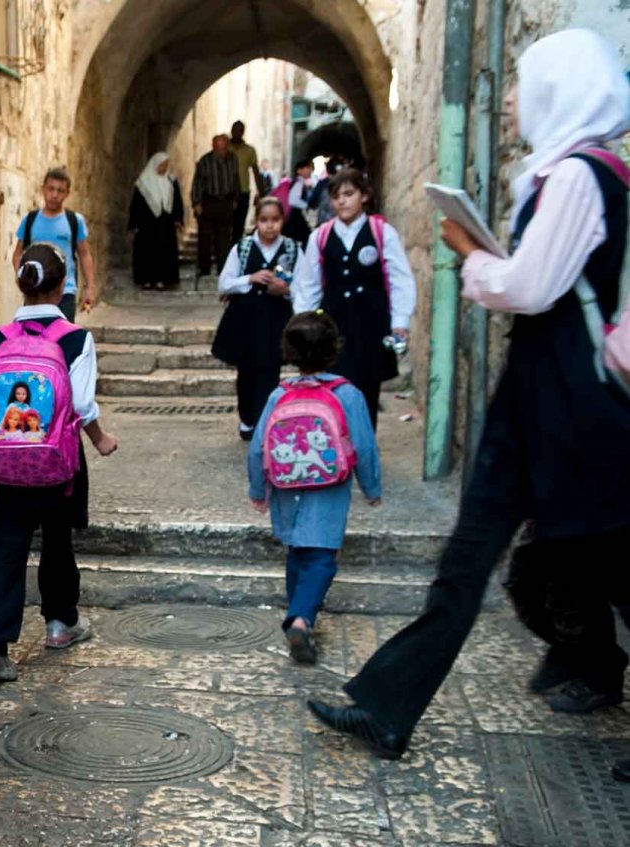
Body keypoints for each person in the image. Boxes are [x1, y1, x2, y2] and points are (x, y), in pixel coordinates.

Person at [307, 29, 630, 763]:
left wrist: (471, 255)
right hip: (539, 392)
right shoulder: (569, 173)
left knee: (609, 559)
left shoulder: (582, 176)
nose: (511, 98)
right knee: (467, 556)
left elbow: (529, 286)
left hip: (575, 401)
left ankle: (588, 662)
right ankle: (389, 708)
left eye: (523, 84)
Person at [0, 243, 118, 682]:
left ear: (22, 284)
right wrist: (102, 440)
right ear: (62, 284)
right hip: (58, 465)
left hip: (4, 468)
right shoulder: (75, 339)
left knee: (4, 551)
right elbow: (83, 405)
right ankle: (59, 623)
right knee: (57, 541)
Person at [248, 312, 382, 663]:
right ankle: (302, 619)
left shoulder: (280, 393)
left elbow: (258, 445)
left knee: (296, 550)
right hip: (330, 486)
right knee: (322, 556)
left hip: (285, 485)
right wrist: (371, 487)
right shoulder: (348, 394)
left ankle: (298, 611)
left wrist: (258, 490)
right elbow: (365, 446)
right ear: (335, 348)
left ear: (289, 352)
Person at [291, 168, 416, 425]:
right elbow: (309, 283)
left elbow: (399, 278)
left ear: (365, 196)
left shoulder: (382, 233)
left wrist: (400, 320)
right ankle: (337, 446)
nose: (342, 201)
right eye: (336, 196)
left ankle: (364, 447)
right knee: (332, 384)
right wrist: (304, 321)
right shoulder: (321, 237)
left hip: (371, 323)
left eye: (349, 194)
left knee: (367, 388)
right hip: (333, 325)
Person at [212, 198, 300, 440]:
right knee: (247, 370)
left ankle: (264, 420)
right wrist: (249, 278)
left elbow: (304, 285)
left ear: (282, 221)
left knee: (270, 371)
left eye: (275, 220)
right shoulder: (243, 248)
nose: (270, 226)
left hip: (276, 320)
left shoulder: (292, 249)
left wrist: (286, 289)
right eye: (264, 220)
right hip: (246, 319)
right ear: (257, 221)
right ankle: (247, 418)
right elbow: (225, 282)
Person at [13, 168, 96, 321]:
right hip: (35, 291)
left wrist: (90, 288)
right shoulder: (30, 220)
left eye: (60, 190)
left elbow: (84, 254)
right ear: (43, 189)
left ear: (67, 193)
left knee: (62, 338)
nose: (55, 195)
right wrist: (23, 276)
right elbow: (18, 253)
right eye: (51, 189)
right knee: (34, 338)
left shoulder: (74, 221)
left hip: (65, 291)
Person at [129, 151, 185, 290]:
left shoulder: (171, 181)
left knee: (164, 252)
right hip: (147, 224)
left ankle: (162, 280)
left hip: (165, 224)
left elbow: (177, 201)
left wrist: (178, 219)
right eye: (162, 165)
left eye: (166, 165)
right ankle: (146, 280)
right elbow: (136, 205)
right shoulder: (143, 183)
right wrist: (134, 224)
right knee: (147, 252)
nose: (164, 168)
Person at [192, 135, 240, 277]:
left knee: (224, 237)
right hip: (209, 202)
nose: (221, 151)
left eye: (224, 148)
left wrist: (236, 198)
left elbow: (236, 180)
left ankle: (223, 267)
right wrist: (196, 202)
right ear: (213, 147)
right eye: (218, 148)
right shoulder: (205, 161)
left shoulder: (233, 159)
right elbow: (198, 183)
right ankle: (204, 267)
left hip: (225, 201)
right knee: (205, 236)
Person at [230, 121, 263, 230]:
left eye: (240, 130)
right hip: (226, 191)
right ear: (231, 130)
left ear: (243, 132)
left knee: (239, 223)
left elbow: (255, 171)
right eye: (235, 129)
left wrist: (260, 191)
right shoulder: (226, 148)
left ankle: (236, 245)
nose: (237, 132)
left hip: (243, 191)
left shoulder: (250, 150)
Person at [282, 160, 315, 247]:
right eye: (307, 168)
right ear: (299, 171)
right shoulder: (299, 183)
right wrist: (307, 205)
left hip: (294, 216)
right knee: (306, 237)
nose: (310, 170)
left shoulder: (297, 182)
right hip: (294, 216)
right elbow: (293, 200)